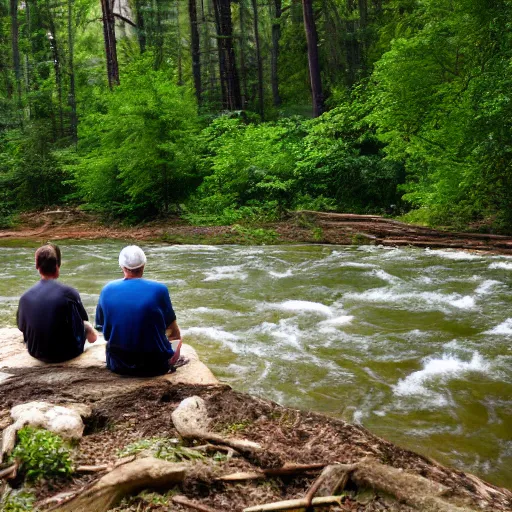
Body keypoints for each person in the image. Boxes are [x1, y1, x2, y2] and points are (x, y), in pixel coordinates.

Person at [95, 245, 183, 376]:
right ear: (144, 265)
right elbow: (172, 331)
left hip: (118, 365)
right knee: (176, 335)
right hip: (154, 367)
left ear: (122, 267)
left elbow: (101, 328)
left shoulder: (107, 289)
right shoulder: (159, 290)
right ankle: (171, 361)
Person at [17, 243, 97, 363]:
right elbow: (82, 319)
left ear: (37, 267)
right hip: (68, 354)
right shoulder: (70, 293)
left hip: (35, 353)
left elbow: (21, 327)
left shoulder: (25, 297)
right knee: (86, 325)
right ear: (57, 266)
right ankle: (94, 339)